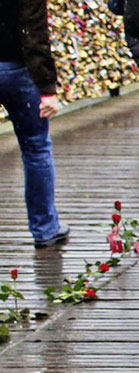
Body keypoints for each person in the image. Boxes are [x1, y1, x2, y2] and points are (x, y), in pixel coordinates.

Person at [0, 0, 68, 247]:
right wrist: (47, 88)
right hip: (18, 70)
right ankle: (45, 229)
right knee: (36, 148)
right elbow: (34, 32)